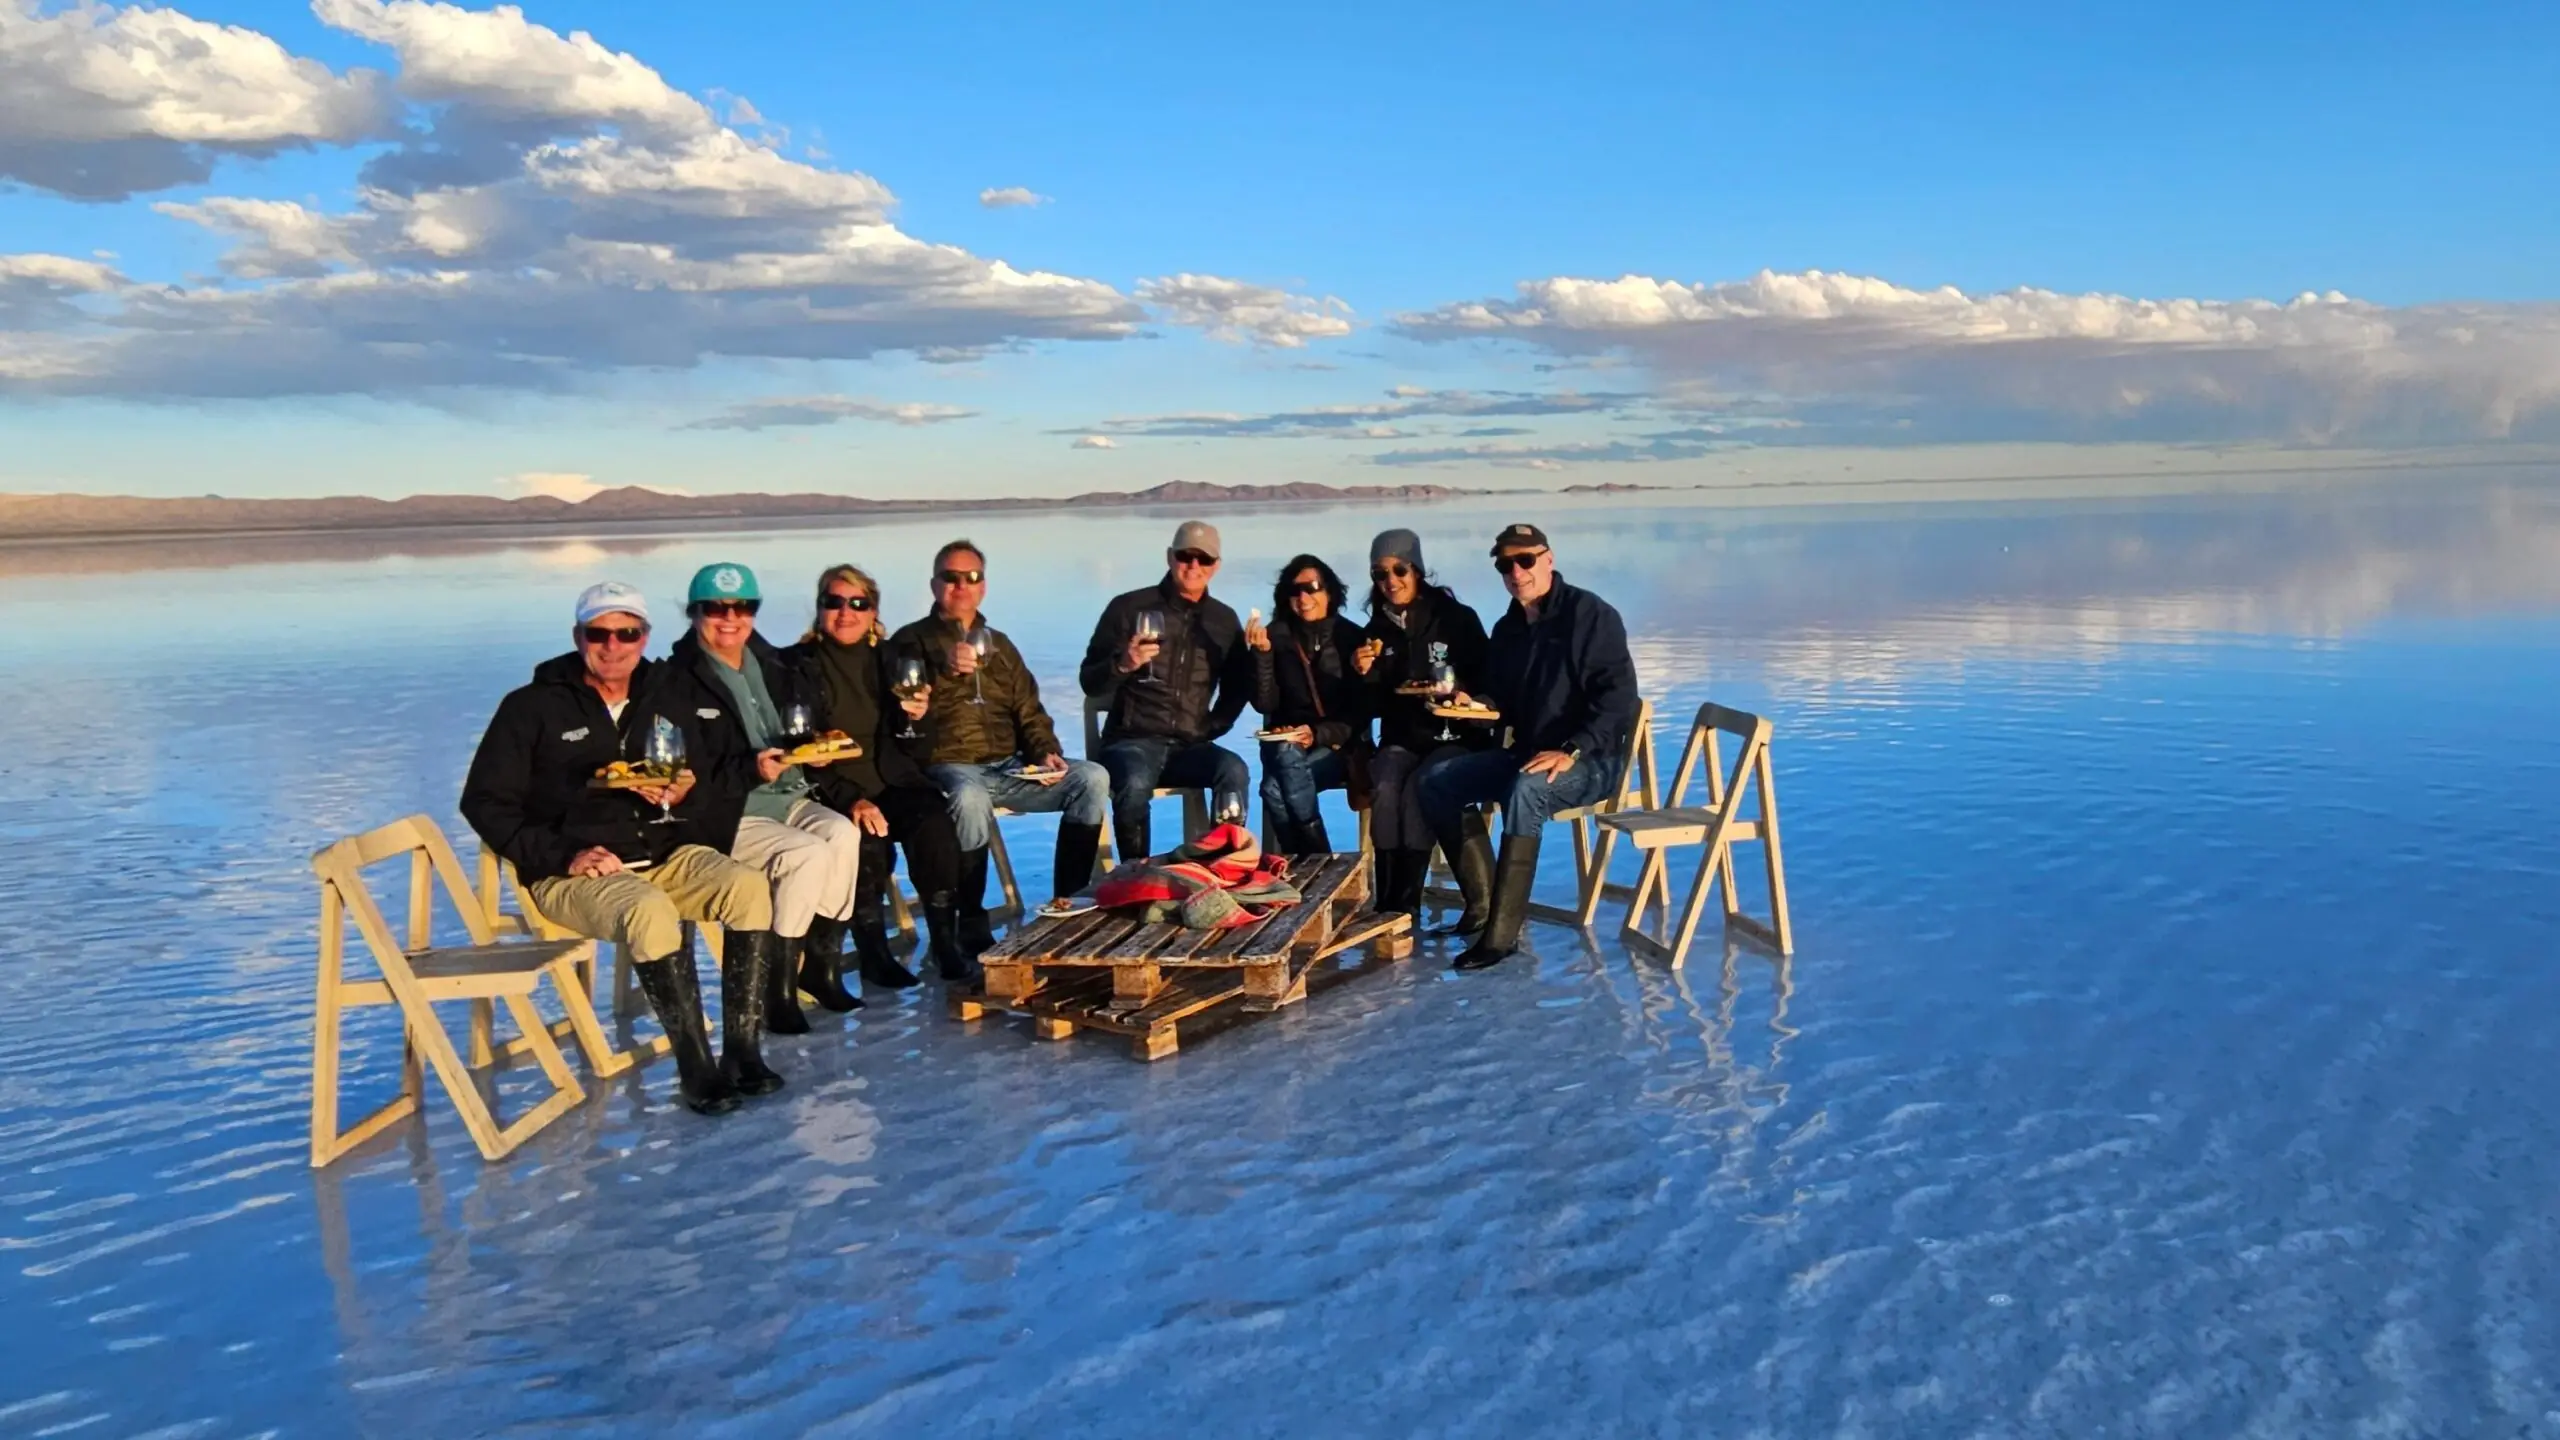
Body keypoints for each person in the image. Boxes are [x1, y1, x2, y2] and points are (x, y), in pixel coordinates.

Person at [460, 580, 782, 1116]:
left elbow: (698, 768)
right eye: (599, 634)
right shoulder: (531, 707)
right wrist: (564, 855)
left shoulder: (669, 694)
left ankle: (743, 1053)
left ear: (644, 635)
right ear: (578, 636)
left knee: (748, 886)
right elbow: (484, 803)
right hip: (573, 873)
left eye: (627, 633)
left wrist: (686, 786)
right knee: (649, 909)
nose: (613, 646)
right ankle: (695, 1066)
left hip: (664, 852)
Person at [1417, 523, 1639, 971]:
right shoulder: (1509, 628)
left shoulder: (1591, 616)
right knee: (1435, 781)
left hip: (1594, 760)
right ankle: (1481, 908)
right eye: (1505, 565)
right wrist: (1476, 703)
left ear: (1549, 559)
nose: (1517, 572)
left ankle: (1502, 936)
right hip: (1531, 754)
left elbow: (1618, 699)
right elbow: (1501, 697)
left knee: (1526, 789)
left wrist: (1573, 748)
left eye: (1526, 560)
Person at [665, 562, 865, 1029]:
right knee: (807, 853)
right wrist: (748, 768)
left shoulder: (773, 663)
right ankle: (778, 987)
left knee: (841, 834)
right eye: (716, 607)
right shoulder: (676, 679)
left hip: (789, 795)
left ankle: (821, 968)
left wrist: (815, 746)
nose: (730, 617)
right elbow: (683, 767)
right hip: (730, 812)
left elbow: (797, 728)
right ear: (695, 612)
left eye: (743, 607)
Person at [889, 539, 1109, 956]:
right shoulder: (910, 642)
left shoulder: (1000, 646)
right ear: (935, 585)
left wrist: (1045, 751)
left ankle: (1069, 903)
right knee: (969, 797)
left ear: (983, 586)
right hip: (948, 766)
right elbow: (903, 708)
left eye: (970, 577)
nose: (961, 586)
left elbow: (1029, 710)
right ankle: (970, 918)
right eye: (950, 578)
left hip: (1009, 766)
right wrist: (945, 671)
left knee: (1092, 778)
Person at [786, 562, 973, 987]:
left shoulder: (893, 659)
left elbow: (918, 748)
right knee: (866, 838)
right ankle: (875, 955)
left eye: (858, 603)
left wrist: (921, 719)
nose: (845, 612)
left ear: (873, 612)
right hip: (831, 784)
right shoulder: (797, 665)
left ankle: (945, 942)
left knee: (934, 824)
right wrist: (850, 796)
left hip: (893, 778)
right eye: (833, 602)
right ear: (819, 609)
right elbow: (796, 744)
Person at [1078, 519, 1253, 860]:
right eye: (1186, 556)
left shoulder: (1222, 621)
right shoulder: (1128, 608)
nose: (1193, 566)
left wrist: (1214, 726)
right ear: (1170, 557)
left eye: (1203, 559)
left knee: (1234, 770)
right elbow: (1089, 679)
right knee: (1135, 781)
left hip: (1190, 746)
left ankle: (1223, 868)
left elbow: (1238, 686)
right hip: (1131, 742)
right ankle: (1136, 874)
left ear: (1215, 567)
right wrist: (1122, 664)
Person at [1352, 528, 1490, 918]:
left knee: (1415, 791)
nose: (1391, 581)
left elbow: (1487, 678)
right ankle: (1387, 901)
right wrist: (1363, 673)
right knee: (1386, 784)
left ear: (1417, 570)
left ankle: (1407, 903)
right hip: (1402, 737)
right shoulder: (1375, 630)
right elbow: (1372, 705)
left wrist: (1462, 693)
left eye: (1400, 569)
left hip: (1452, 734)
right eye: (1380, 574)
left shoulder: (1456, 619)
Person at [1245, 553, 1371, 853]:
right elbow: (1265, 704)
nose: (1303, 597)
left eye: (1312, 587)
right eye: (1294, 590)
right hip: (1288, 749)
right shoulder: (1275, 636)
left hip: (1341, 750)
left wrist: (1318, 734)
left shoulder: (1352, 637)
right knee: (1282, 766)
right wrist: (1262, 655)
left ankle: (1312, 862)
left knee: (1273, 789)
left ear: (1329, 591)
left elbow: (1362, 712)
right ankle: (1320, 863)